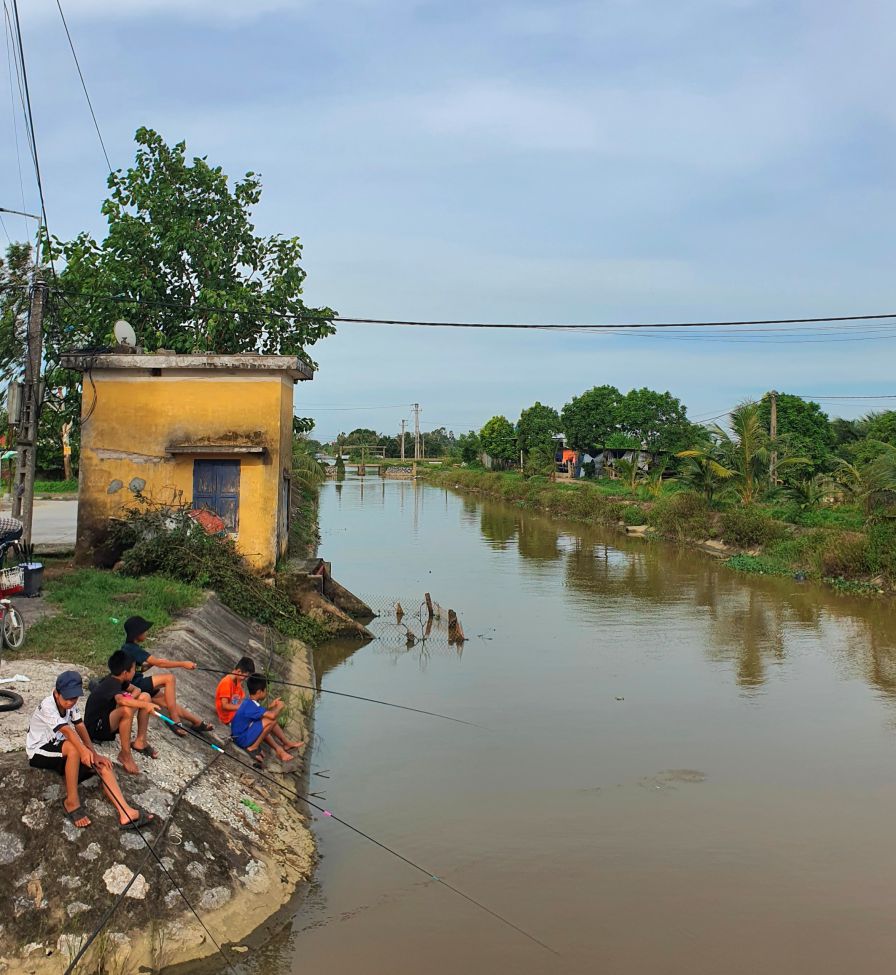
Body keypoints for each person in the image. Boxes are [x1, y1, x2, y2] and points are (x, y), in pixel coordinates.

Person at [26, 670, 155, 830]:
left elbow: (79, 725)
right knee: (74, 749)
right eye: (67, 698)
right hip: (40, 749)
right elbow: (67, 730)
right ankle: (71, 802)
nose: (71, 702)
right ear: (57, 693)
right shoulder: (47, 705)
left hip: (62, 749)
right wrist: (82, 751)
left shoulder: (71, 705)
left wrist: (93, 753)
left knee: (102, 765)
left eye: (74, 698)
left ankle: (126, 812)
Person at [122, 615, 213, 738]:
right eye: (144, 631)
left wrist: (149, 665)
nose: (146, 633)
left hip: (138, 682)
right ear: (137, 634)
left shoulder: (130, 647)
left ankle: (196, 722)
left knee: (168, 701)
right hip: (135, 685)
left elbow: (140, 668)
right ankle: (174, 720)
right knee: (169, 678)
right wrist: (183, 663)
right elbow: (160, 663)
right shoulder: (132, 648)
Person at [84, 650, 158, 775]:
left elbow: (137, 689)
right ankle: (125, 754)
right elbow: (121, 700)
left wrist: (135, 700)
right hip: (96, 728)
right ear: (125, 672)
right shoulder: (111, 683)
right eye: (134, 669)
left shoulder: (119, 679)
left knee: (145, 696)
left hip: (107, 718)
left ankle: (140, 741)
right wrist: (144, 705)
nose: (135, 672)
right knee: (126, 710)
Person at [230, 675, 302, 766]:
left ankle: (286, 744)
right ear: (259, 692)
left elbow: (260, 714)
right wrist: (279, 707)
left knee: (267, 721)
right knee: (271, 721)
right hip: (240, 739)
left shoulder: (249, 702)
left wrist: (271, 707)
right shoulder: (252, 706)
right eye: (266, 690)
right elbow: (271, 716)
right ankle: (252, 748)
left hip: (241, 735)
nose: (267, 692)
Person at [214, 656, 255, 725]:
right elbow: (225, 706)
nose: (245, 679)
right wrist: (242, 707)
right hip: (226, 717)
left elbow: (240, 701)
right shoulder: (226, 682)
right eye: (245, 676)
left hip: (233, 715)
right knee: (260, 723)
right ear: (239, 672)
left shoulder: (237, 682)